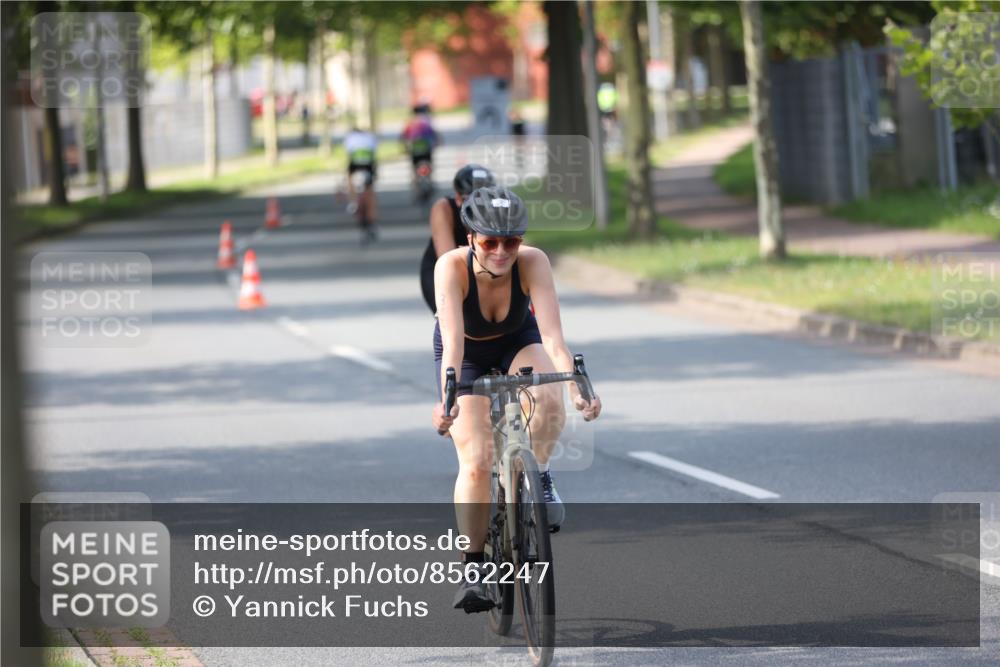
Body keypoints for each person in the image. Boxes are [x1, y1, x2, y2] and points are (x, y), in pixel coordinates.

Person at [430, 186, 602, 612]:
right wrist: (448, 399)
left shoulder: (533, 262)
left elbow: (554, 339)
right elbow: (452, 345)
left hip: (516, 342)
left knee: (547, 399)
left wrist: (579, 387)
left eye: (512, 241)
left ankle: (539, 473)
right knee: (476, 461)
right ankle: (473, 566)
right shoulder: (450, 267)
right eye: (491, 242)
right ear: (471, 237)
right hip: (466, 353)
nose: (502, 251)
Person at [419, 164, 496, 314]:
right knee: (454, 315)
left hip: (485, 270)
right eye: (471, 200)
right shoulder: (443, 209)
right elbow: (448, 260)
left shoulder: (500, 208)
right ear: (458, 198)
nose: (479, 206)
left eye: (485, 199)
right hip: (444, 270)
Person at [343, 125, 378, 242]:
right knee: (370, 192)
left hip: (355, 165)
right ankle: (372, 218)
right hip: (368, 165)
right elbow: (374, 154)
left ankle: (352, 201)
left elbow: (348, 154)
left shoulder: (350, 138)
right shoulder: (370, 137)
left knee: (349, 179)